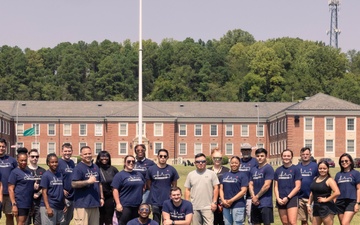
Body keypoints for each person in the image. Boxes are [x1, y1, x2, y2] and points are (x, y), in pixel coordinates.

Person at [71, 146, 104, 225]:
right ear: (81, 156)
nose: (88, 155)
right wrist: (88, 181)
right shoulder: (78, 168)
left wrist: (101, 197)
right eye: (85, 154)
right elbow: (73, 184)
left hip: (95, 203)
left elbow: (99, 183)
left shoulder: (95, 167)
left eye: (89, 153)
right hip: (82, 205)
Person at [184, 153, 219, 225]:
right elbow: (187, 190)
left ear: (206, 162)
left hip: (208, 207)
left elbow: (216, 188)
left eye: (203, 161)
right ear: (195, 163)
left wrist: (214, 202)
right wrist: (187, 205)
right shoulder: (191, 175)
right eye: (198, 162)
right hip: (194, 207)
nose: (200, 163)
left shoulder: (212, 174)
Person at [146, 149, 179, 223]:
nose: (163, 158)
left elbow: (174, 185)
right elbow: (149, 184)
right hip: (155, 200)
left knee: (167, 221)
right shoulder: (151, 169)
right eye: (161, 156)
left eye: (165, 156)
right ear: (157, 157)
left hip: (168, 200)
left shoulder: (172, 169)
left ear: (167, 157)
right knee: (156, 220)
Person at [112, 155, 145, 225]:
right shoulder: (119, 175)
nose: (131, 163)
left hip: (137, 205)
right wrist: (118, 204)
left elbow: (143, 187)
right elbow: (115, 190)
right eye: (129, 161)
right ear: (124, 163)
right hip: (125, 206)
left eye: (133, 161)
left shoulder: (139, 174)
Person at [274, 149, 301, 225]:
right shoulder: (278, 170)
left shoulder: (296, 169)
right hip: (281, 199)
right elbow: (275, 186)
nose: (286, 157)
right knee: (285, 222)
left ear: (291, 157)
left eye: (288, 156)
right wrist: (278, 198)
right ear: (282, 157)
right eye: (284, 156)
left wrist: (288, 197)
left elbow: (298, 187)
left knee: (292, 222)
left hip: (292, 198)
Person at [308, 160, 340, 225]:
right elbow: (312, 193)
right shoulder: (315, 178)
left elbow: (337, 192)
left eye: (324, 168)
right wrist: (309, 204)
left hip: (327, 208)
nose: (322, 170)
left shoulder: (329, 180)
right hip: (316, 207)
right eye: (320, 168)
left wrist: (326, 200)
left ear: (328, 169)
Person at [8, 150, 35, 225]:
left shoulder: (29, 172)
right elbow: (10, 189)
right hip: (20, 202)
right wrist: (14, 205)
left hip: (28, 202)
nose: (23, 162)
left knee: (25, 222)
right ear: (17, 161)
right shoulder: (15, 172)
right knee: (21, 223)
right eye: (21, 160)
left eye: (25, 160)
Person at [219, 156, 248, 225]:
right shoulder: (224, 175)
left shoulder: (243, 175)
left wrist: (231, 200)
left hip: (238, 205)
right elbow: (221, 189)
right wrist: (223, 201)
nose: (234, 164)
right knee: (227, 223)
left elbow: (243, 191)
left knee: (237, 223)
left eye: (236, 163)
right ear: (230, 163)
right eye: (232, 163)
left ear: (239, 164)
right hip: (226, 205)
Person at [249, 148, 274, 225]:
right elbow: (250, 184)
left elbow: (267, 185)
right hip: (254, 202)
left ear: (266, 156)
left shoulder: (268, 168)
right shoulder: (253, 169)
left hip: (265, 202)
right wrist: (253, 197)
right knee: (255, 223)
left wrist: (257, 196)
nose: (259, 157)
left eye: (262, 156)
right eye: (258, 156)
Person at [40, 153, 66, 225]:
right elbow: (44, 192)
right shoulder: (46, 175)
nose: (54, 164)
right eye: (52, 162)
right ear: (48, 163)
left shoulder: (60, 174)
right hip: (50, 206)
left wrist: (64, 204)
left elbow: (61, 190)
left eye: (56, 162)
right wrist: (48, 208)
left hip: (59, 206)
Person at [334, 153, 360, 225]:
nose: (344, 162)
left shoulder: (356, 173)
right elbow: (336, 190)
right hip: (339, 202)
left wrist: (357, 203)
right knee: (342, 223)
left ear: (350, 161)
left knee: (345, 223)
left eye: (346, 161)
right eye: (342, 161)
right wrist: (333, 202)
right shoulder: (338, 175)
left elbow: (358, 189)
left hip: (351, 201)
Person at [96, 150, 119, 225]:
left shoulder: (113, 169)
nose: (104, 159)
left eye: (106, 157)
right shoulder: (95, 168)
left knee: (109, 219)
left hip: (109, 197)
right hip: (97, 197)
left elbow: (119, 182)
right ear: (98, 158)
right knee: (99, 219)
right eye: (102, 157)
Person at [207, 148, 229, 225]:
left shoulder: (227, 170)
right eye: (215, 158)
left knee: (223, 222)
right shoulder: (208, 171)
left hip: (223, 201)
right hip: (211, 201)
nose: (217, 160)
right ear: (211, 158)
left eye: (219, 158)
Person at [297, 147, 318, 225]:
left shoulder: (315, 166)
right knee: (303, 220)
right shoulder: (297, 167)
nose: (305, 156)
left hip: (312, 197)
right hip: (300, 197)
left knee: (314, 220)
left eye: (307, 154)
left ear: (310, 155)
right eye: (303, 154)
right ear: (300, 155)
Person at [25, 149, 46, 225]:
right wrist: (31, 189)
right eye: (32, 156)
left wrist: (39, 193)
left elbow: (46, 186)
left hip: (39, 202)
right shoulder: (24, 170)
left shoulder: (43, 171)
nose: (35, 158)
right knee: (25, 222)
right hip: (26, 202)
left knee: (38, 223)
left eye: (37, 156)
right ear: (29, 157)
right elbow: (21, 186)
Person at [239, 143, 258, 225]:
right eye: (244, 150)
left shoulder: (255, 161)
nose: (245, 152)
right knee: (240, 219)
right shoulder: (238, 161)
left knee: (251, 219)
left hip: (250, 194)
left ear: (251, 151)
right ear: (241, 151)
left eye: (247, 150)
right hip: (239, 194)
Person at [0, 138, 18, 225]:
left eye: (3, 146)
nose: (1, 148)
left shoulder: (12, 160)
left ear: (6, 147)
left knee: (9, 215)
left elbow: (18, 174)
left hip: (9, 193)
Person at [57, 143, 75, 225]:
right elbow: (55, 177)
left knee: (69, 219)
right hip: (63, 196)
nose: (67, 153)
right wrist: (61, 189)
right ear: (62, 152)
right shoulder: (58, 163)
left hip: (72, 195)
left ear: (72, 152)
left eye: (69, 151)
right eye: (65, 151)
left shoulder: (72, 162)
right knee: (62, 219)